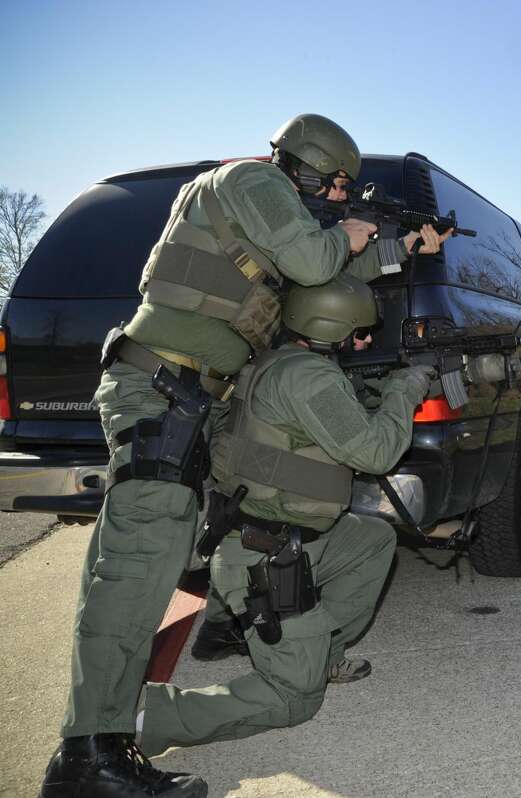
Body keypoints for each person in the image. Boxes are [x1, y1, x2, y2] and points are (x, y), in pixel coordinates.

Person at [40, 114, 442, 798]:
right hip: (161, 387)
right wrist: (351, 232)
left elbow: (320, 279)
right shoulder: (248, 180)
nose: (343, 199)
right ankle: (89, 759)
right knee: (135, 568)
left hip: (189, 398)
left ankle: (161, 688)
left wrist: (404, 244)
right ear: (307, 167)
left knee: (156, 556)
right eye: (338, 186)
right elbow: (318, 259)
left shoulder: (270, 230)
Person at [137, 275, 435, 757]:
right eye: (359, 332)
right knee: (294, 699)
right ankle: (142, 719)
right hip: (262, 557)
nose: (363, 342)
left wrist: (378, 388)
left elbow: (321, 424)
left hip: (282, 534)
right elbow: (377, 451)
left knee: (374, 541)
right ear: (331, 326)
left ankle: (323, 654)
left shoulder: (280, 362)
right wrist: (406, 389)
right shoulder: (308, 377)